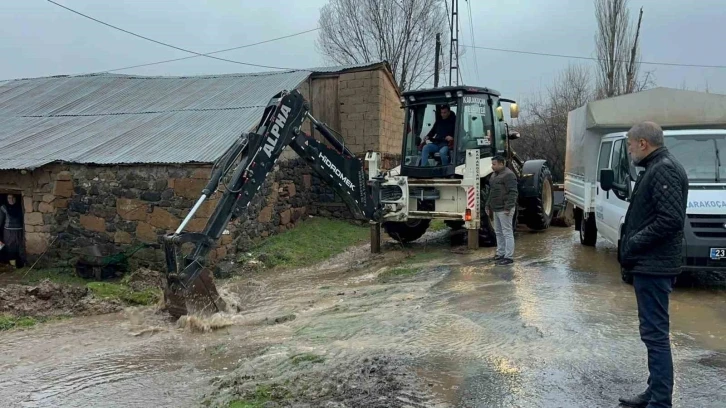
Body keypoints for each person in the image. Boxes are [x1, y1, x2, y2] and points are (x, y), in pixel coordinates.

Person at [618, 122, 688, 408]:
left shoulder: (664, 169)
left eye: (631, 144)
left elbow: (670, 220)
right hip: (650, 263)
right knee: (652, 333)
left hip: (655, 265)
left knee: (655, 335)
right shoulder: (657, 167)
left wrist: (633, 242)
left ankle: (660, 401)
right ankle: (654, 391)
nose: (630, 149)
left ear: (644, 143)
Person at [487, 155, 518, 265]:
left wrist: (508, 207)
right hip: (496, 208)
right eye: (492, 164)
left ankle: (509, 257)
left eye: (494, 164)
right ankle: (500, 253)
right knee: (499, 232)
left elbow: (513, 192)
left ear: (501, 164)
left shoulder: (509, 175)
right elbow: (491, 192)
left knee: (507, 232)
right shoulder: (494, 175)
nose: (492, 166)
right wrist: (488, 205)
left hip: (504, 209)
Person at [0, 194, 26, 269]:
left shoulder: (20, 207)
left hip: (19, 231)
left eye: (12, 198)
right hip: (8, 232)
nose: (10, 199)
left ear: (15, 198)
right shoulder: (3, 208)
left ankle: (22, 265)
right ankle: (12, 266)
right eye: (9, 198)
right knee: (10, 248)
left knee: (20, 247)